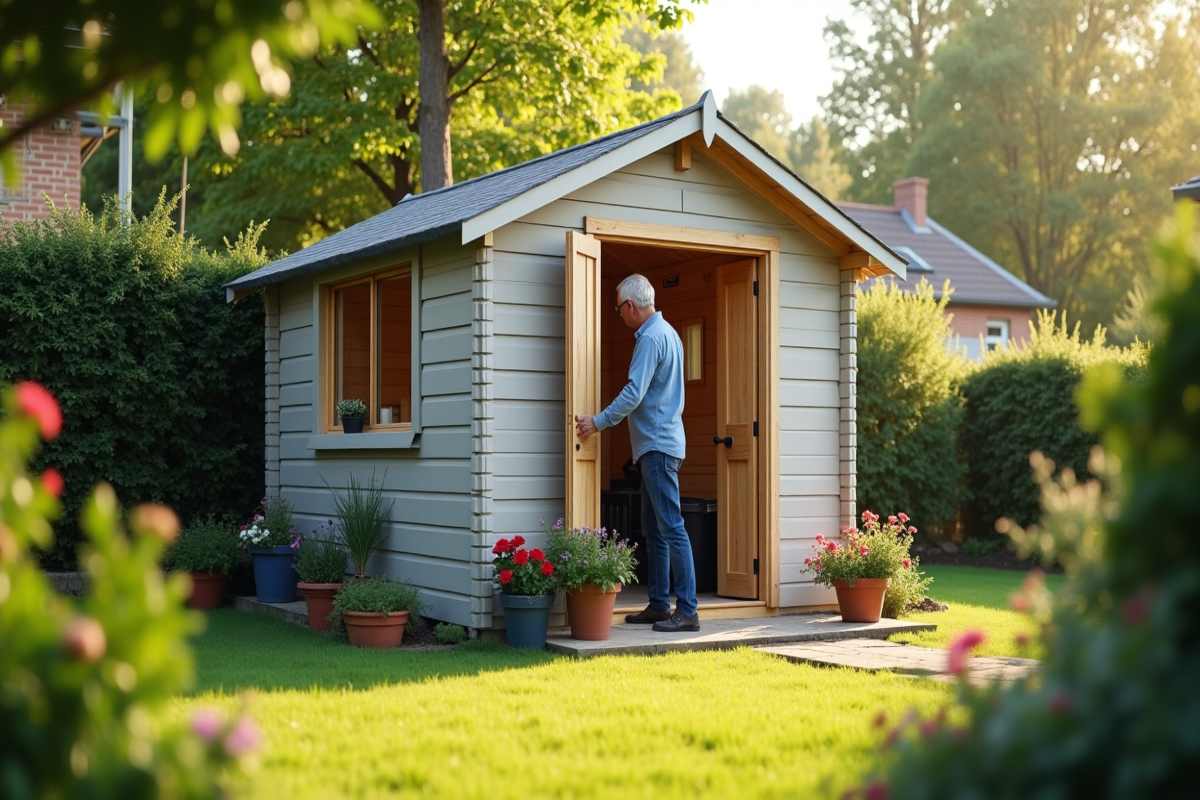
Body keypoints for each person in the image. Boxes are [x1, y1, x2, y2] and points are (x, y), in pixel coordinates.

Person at [575, 273, 698, 632]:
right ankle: (660, 605)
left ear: (630, 306)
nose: (620, 316)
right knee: (655, 529)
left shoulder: (649, 338)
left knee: (672, 527)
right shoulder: (670, 334)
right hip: (658, 445)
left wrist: (596, 422)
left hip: (658, 446)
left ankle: (687, 610)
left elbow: (633, 393)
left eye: (618, 310)